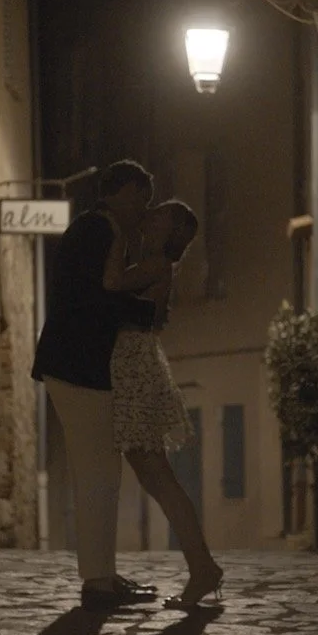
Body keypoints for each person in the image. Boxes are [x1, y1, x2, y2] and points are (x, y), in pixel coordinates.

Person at [31, 160, 162, 611]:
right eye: (142, 196)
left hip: (77, 365)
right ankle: (98, 584)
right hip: (79, 366)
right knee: (97, 475)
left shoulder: (94, 229)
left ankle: (103, 576)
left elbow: (97, 296)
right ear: (124, 191)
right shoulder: (98, 230)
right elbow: (97, 300)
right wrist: (145, 311)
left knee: (102, 474)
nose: (144, 207)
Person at [103, 199, 224, 609]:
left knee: (159, 477)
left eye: (159, 216)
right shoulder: (154, 263)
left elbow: (111, 284)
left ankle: (203, 567)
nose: (149, 216)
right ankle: (202, 567)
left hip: (135, 368)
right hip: (136, 365)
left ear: (167, 232)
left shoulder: (156, 265)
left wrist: (116, 235)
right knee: (156, 477)